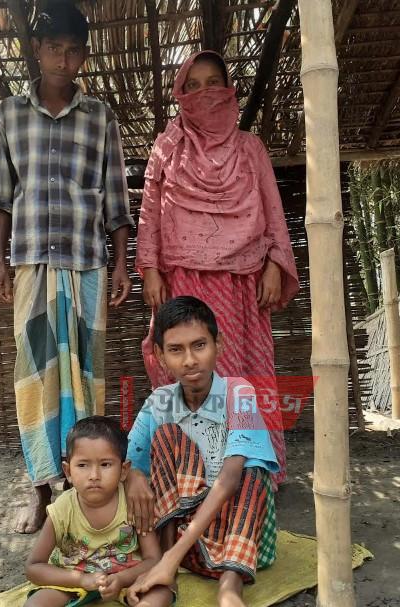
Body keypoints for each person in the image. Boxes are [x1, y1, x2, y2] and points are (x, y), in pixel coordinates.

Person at [0, 1, 134, 534]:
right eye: (53, 49)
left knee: (85, 379)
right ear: (37, 50)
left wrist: (122, 264)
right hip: (31, 266)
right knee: (34, 380)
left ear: (83, 56)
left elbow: (116, 200)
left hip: (86, 265)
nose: (62, 60)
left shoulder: (100, 118)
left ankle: (80, 490)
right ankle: (41, 490)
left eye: (73, 51)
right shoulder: (9, 115)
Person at [135, 50, 298, 486]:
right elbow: (150, 212)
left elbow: (272, 209)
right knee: (184, 372)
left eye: (213, 83)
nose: (204, 93)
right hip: (183, 279)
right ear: (180, 94)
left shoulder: (250, 148)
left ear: (228, 90)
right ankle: (189, 472)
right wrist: (150, 268)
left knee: (242, 376)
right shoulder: (167, 148)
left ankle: (252, 472)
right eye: (193, 86)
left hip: (242, 281)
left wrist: (274, 264)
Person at [124, 297, 279, 607]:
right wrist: (135, 477)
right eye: (176, 350)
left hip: (241, 538)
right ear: (160, 356)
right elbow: (126, 463)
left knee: (252, 471)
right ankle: (166, 567)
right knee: (166, 435)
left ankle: (230, 585)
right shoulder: (159, 402)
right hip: (187, 543)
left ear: (218, 344)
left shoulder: (239, 393)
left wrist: (171, 559)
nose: (190, 360)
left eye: (199, 345)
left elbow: (230, 479)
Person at [25, 416, 174, 607]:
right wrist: (80, 580)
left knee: (161, 593)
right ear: (68, 471)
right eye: (82, 465)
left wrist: (121, 579)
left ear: (124, 470)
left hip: (128, 579)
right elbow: (34, 567)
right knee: (35, 605)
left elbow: (153, 559)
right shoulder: (62, 509)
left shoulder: (133, 502)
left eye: (105, 465)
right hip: (73, 580)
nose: (94, 475)